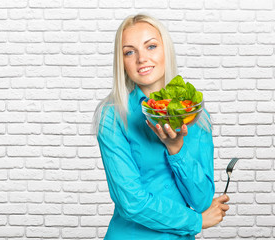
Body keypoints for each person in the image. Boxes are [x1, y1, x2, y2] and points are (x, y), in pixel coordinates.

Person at [92, 14, 230, 239]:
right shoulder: (112, 116)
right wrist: (196, 221)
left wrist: (176, 148)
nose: (141, 59)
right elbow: (131, 202)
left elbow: (202, 199)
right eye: (129, 51)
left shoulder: (197, 115)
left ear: (166, 50)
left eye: (151, 46)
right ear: (122, 62)